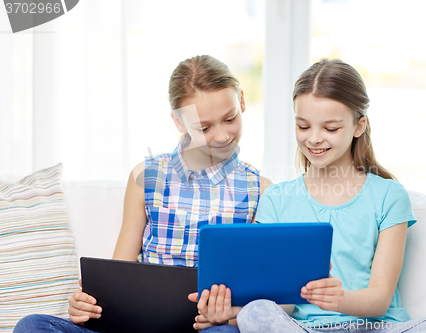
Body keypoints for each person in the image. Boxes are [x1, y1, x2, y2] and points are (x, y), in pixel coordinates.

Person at [193, 59, 426, 333]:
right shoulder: (277, 198)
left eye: (331, 127)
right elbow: (279, 305)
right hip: (305, 330)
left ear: (358, 125)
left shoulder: (389, 195)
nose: (313, 138)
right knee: (257, 312)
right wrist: (232, 312)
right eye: (303, 126)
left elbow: (379, 299)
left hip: (378, 329)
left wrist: (340, 299)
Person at [13, 55, 271, 333]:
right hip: (137, 327)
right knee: (32, 325)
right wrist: (86, 305)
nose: (221, 136)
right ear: (179, 122)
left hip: (206, 329)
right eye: (204, 128)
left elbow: (262, 298)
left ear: (242, 101)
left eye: (230, 118)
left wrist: (228, 317)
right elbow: (119, 276)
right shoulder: (147, 177)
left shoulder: (260, 189)